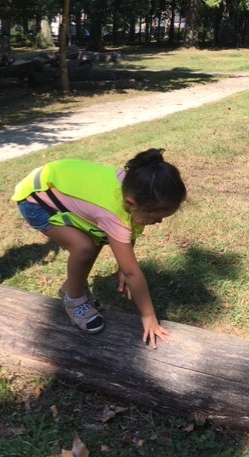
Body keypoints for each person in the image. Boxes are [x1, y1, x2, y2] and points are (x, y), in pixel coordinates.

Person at [12, 148, 187, 349]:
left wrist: (123, 266)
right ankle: (74, 299)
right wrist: (149, 316)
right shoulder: (111, 212)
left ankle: (71, 286)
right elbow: (132, 272)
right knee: (83, 247)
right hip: (36, 199)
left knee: (95, 239)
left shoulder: (133, 187)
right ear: (131, 203)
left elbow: (128, 232)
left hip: (53, 187)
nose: (159, 221)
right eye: (156, 216)